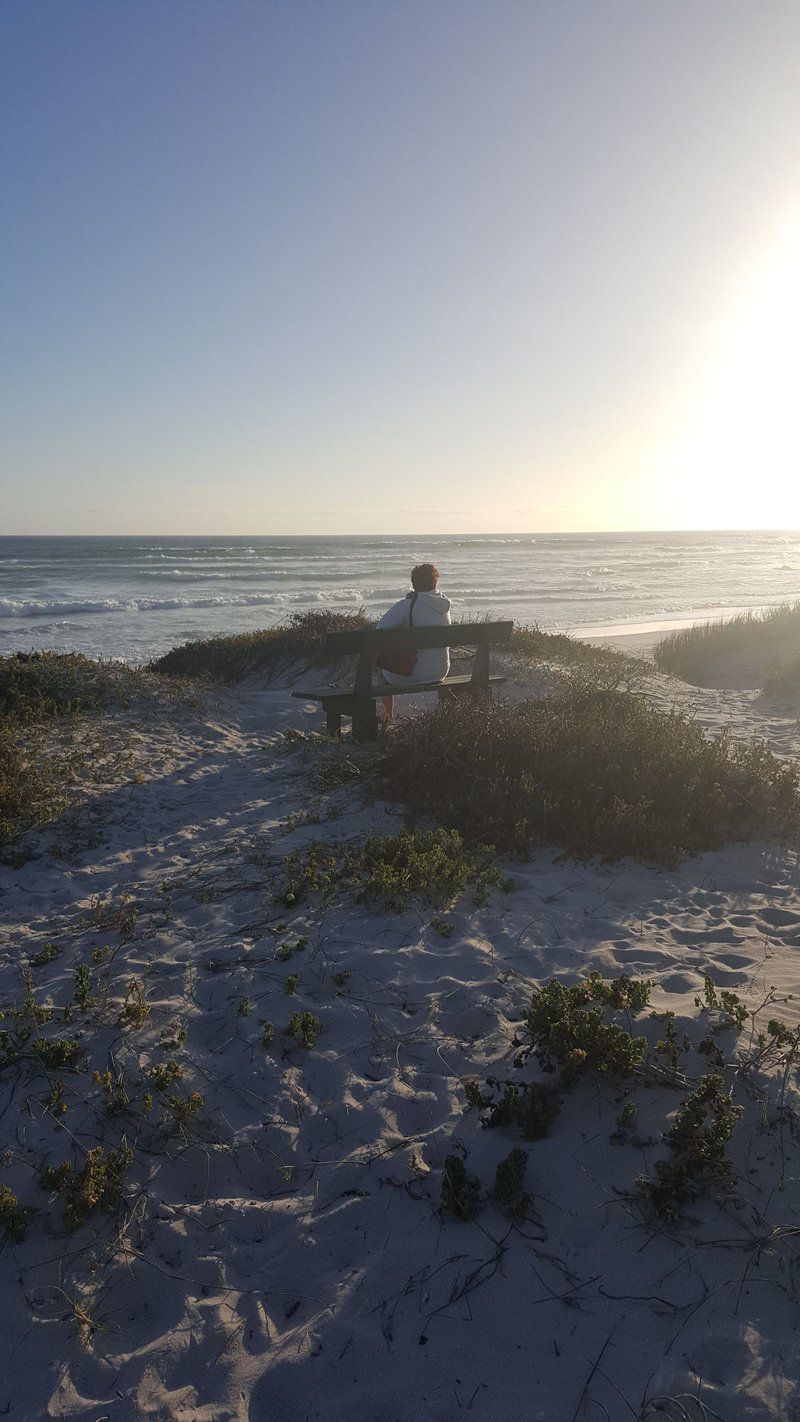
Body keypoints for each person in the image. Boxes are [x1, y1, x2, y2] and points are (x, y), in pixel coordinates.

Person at [376, 563, 452, 723]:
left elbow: (379, 630)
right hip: (439, 672)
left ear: (413, 584)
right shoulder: (444, 606)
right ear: (435, 583)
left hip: (406, 675)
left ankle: (388, 720)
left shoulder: (407, 605)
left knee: (383, 676)